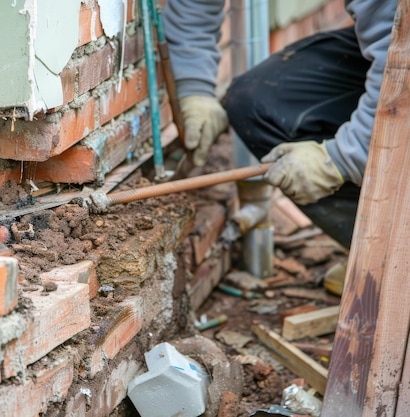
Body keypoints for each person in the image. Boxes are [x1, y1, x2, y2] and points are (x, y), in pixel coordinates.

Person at [162, 0, 396, 294]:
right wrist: (195, 87)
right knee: (261, 103)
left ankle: (397, 257)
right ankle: (383, 248)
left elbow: (401, 61)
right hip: (396, 41)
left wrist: (342, 158)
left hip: (403, 47)